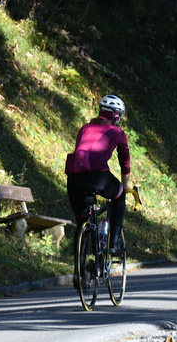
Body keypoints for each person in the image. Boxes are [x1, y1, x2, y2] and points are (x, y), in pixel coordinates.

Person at [65, 95, 132, 254]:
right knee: (119, 194)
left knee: (82, 223)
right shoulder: (117, 132)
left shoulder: (85, 128)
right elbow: (125, 161)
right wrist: (126, 184)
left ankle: (78, 273)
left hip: (74, 179)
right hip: (99, 177)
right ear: (117, 115)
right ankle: (113, 244)